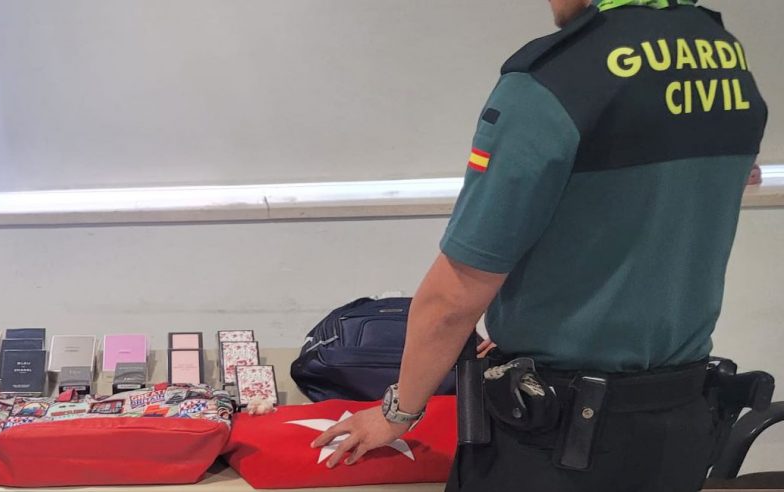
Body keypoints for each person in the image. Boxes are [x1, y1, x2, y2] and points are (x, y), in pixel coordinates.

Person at [313, 0, 768, 491]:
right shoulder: (723, 56)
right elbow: (682, 202)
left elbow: (453, 295)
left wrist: (397, 412)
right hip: (678, 427)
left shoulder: (555, 79)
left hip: (561, 443)